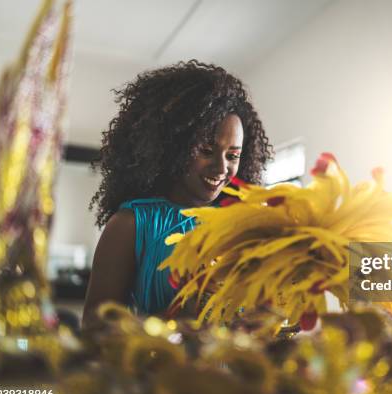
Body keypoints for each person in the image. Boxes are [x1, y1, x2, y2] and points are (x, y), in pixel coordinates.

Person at [82, 60, 272, 329]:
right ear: (173, 146)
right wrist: (176, 318)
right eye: (206, 151)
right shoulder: (132, 224)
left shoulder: (243, 224)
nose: (221, 168)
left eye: (233, 156)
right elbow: (94, 329)